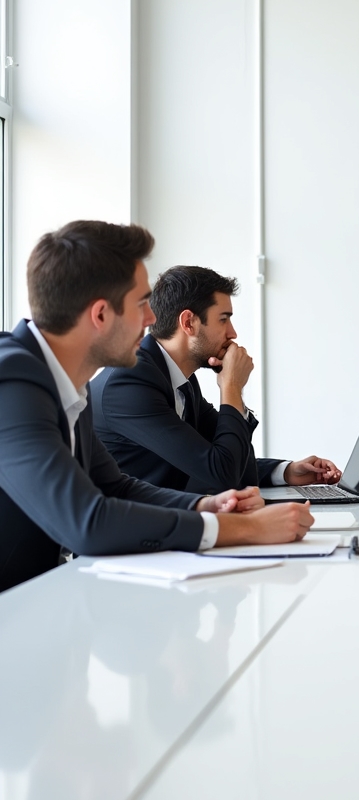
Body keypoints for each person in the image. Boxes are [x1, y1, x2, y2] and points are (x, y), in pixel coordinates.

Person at [0, 221, 313, 593]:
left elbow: (114, 487)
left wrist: (205, 506)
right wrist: (242, 529)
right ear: (100, 315)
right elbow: (87, 522)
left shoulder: (67, 383)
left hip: (44, 599)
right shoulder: (12, 382)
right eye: (140, 304)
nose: (151, 319)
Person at [92, 265, 341, 495]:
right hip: (128, 536)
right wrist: (231, 386)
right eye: (224, 319)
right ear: (188, 323)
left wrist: (285, 472)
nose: (233, 333)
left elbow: (227, 459)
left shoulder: (180, 379)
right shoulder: (129, 383)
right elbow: (222, 473)